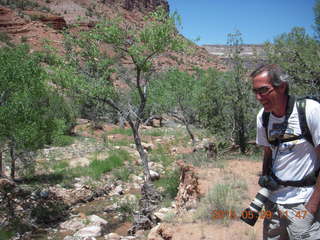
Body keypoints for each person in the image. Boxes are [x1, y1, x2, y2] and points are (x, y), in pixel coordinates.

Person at [250, 64, 320, 239]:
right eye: (255, 92)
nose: (259, 97)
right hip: (273, 205)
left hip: (303, 203)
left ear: (281, 86)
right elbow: (268, 152)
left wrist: (311, 209)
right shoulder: (263, 117)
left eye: (263, 90)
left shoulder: (310, 110)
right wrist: (266, 181)